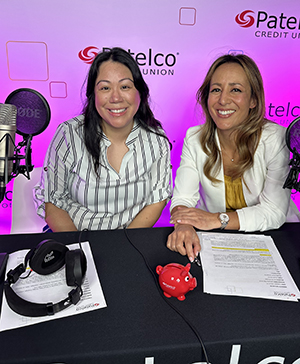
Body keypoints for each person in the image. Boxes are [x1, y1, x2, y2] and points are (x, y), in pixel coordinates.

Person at [167, 53, 299, 262]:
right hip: (216, 242)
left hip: (275, 237)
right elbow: (183, 197)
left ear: (253, 100)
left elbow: (273, 212)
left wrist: (216, 219)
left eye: (235, 90)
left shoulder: (276, 139)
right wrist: (184, 224)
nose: (223, 100)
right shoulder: (194, 138)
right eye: (216, 89)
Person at [34, 47, 172, 232]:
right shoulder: (68, 134)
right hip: (74, 236)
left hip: (131, 239)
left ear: (140, 92)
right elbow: (53, 202)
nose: (115, 97)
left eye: (125, 87)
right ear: (93, 95)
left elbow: (157, 199)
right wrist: (80, 252)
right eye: (105, 88)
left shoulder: (157, 139)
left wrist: (124, 246)